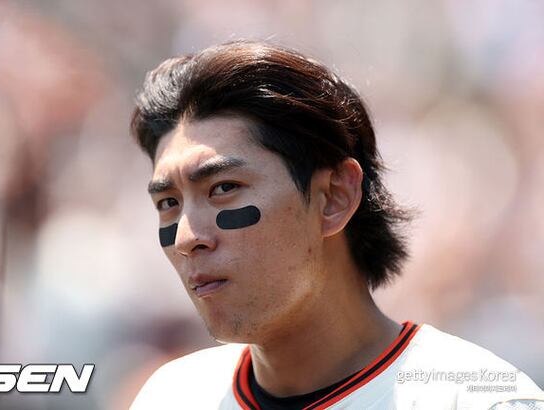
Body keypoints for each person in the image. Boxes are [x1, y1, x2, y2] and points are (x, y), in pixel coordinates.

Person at [128, 40, 544, 409]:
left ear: (334, 198)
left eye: (223, 188)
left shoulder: (478, 399)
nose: (186, 237)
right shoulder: (172, 396)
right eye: (168, 203)